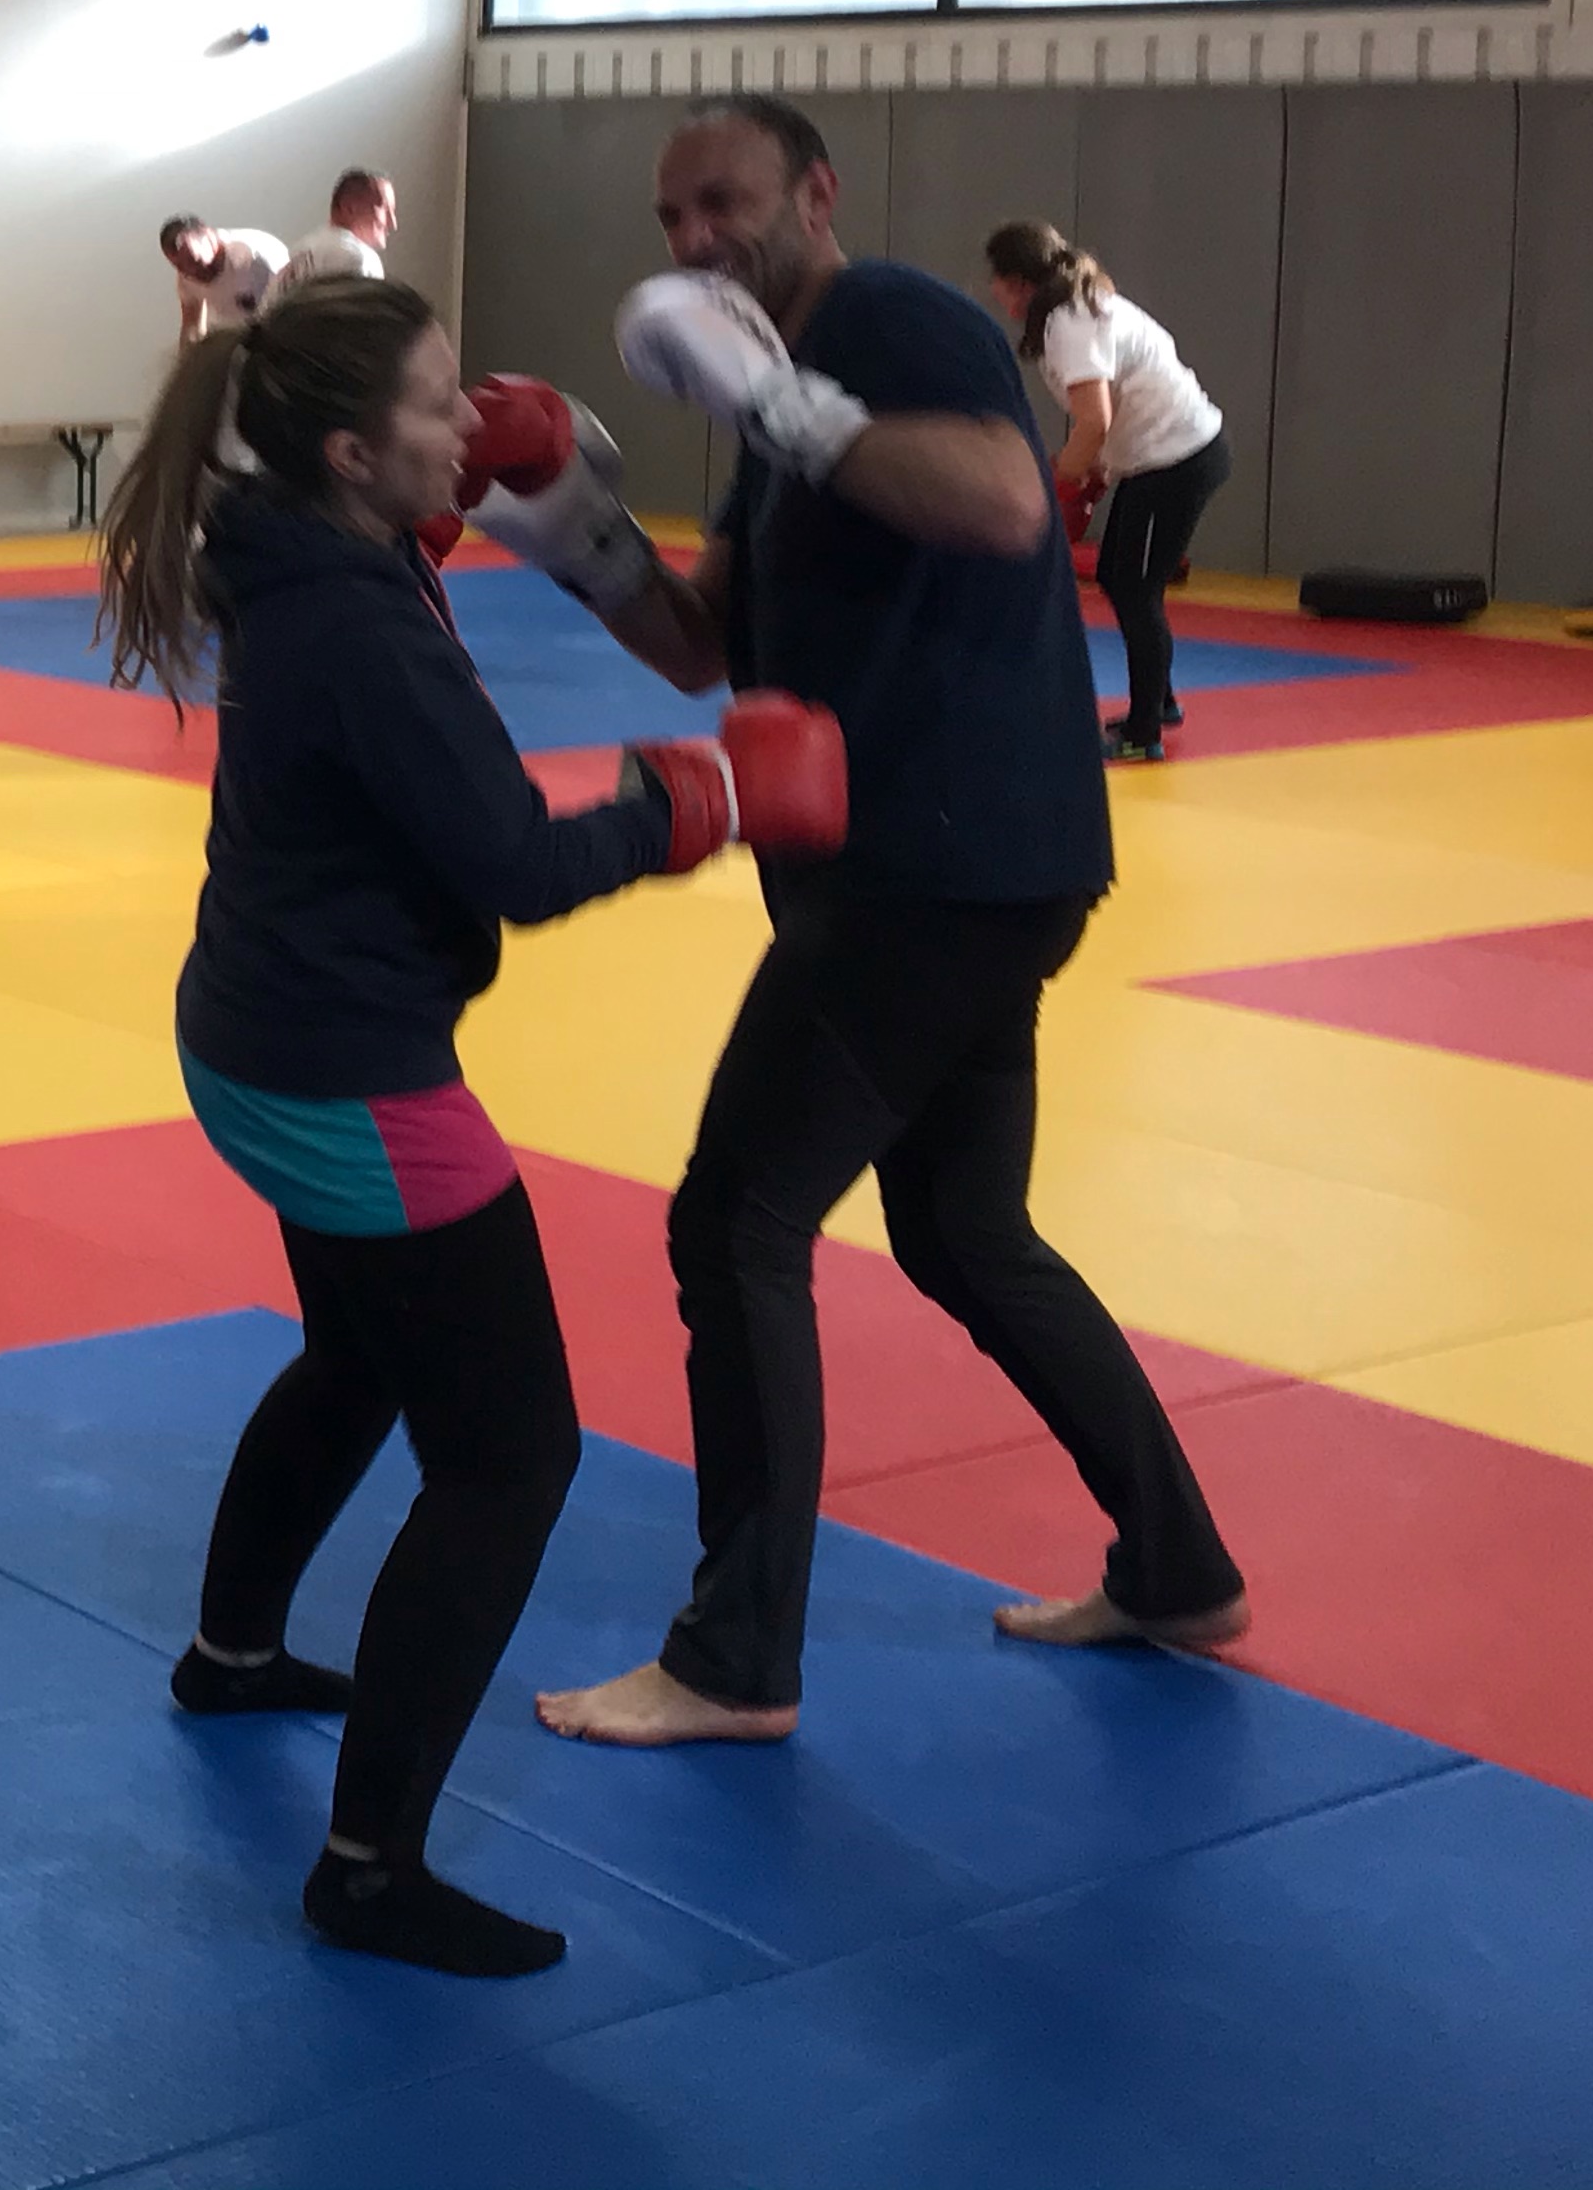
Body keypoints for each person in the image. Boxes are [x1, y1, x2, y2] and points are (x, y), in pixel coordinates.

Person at [99, 276, 844, 1976]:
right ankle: (367, 1867)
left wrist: (432, 521)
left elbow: (386, 678)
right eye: (437, 406)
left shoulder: (307, 558)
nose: (473, 421)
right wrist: (702, 800)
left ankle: (231, 1651)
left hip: (258, 1034)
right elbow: (510, 859)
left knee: (359, 1355)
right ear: (350, 454)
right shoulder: (356, 631)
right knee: (511, 1458)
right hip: (347, 1079)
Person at [522, 95, 1245, 1752]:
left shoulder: (890, 321)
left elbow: (1002, 500)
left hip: (935, 864)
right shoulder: (771, 393)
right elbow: (703, 645)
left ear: (816, 194)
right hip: (968, 864)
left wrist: (782, 400)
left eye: (725, 201)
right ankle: (1177, 1567)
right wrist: (572, 530)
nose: (694, 239)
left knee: (734, 1221)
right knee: (963, 1231)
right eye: (671, 217)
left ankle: (733, 1660)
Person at [983, 221, 1230, 765]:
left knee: (1136, 589)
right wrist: (1093, 469)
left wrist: (1059, 485)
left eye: (996, 280)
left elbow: (1095, 419)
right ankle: (1157, 702)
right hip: (1160, 458)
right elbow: (1110, 412)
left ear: (1018, 282)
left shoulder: (1070, 320)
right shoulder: (1073, 310)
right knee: (1121, 579)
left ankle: (1143, 732)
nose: (993, 291)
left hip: (1179, 459)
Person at [265, 170, 400, 305]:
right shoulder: (359, 258)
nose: (393, 223)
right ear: (350, 207)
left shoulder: (299, 251)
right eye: (385, 209)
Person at [161, 215, 287, 342]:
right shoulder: (186, 278)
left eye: (194, 260)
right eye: (180, 267)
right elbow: (191, 330)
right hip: (244, 336)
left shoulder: (253, 257)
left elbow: (287, 306)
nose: (191, 272)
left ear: (209, 236)